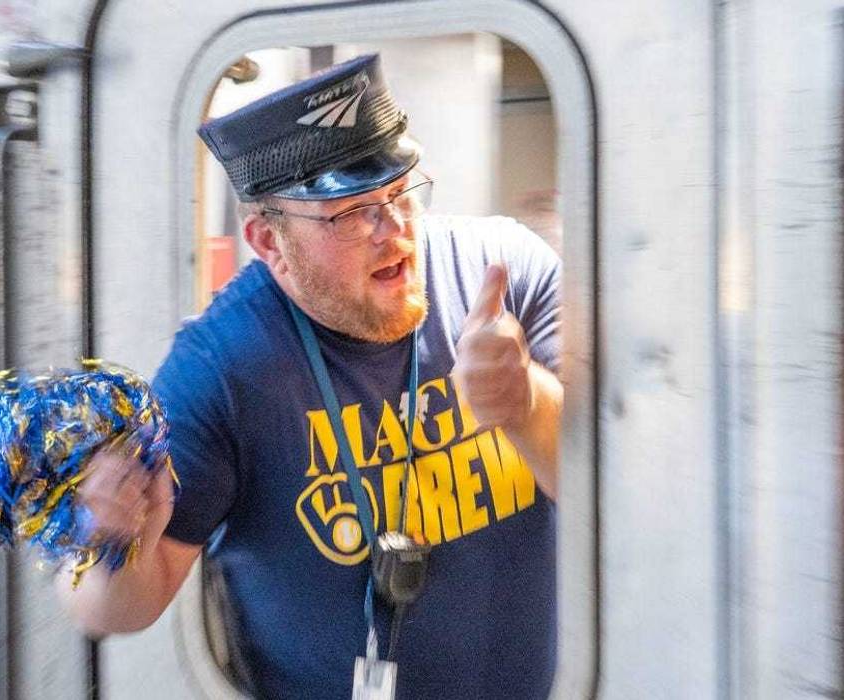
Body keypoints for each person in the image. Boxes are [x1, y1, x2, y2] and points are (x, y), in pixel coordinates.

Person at [59, 54, 563, 699]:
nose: (396, 232)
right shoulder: (220, 366)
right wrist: (113, 536)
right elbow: (112, 614)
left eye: (402, 192)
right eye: (350, 213)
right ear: (269, 243)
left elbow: (613, 496)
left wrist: (525, 403)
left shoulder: (505, 270)